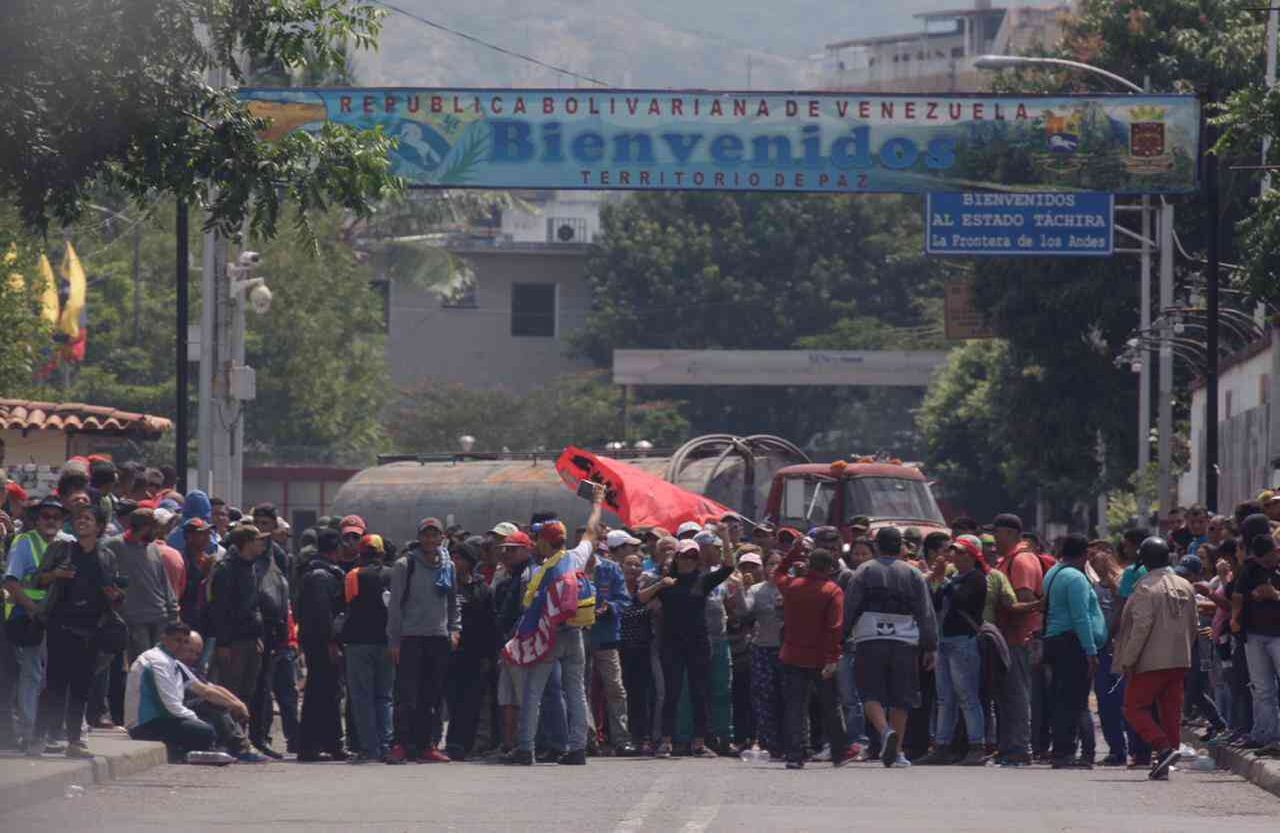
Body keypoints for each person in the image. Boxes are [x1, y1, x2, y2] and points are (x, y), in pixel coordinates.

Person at [843, 526, 938, 768]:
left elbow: (850, 608)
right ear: (900, 547)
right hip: (905, 639)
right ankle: (897, 753)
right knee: (902, 698)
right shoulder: (913, 574)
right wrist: (930, 646)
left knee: (869, 692)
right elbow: (926, 612)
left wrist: (841, 636)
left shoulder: (863, 571)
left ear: (877, 546)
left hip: (869, 637)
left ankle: (885, 732)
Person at [505, 517, 597, 766]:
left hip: (549, 637)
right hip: (575, 633)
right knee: (576, 691)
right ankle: (577, 749)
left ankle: (526, 748)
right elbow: (590, 532)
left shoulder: (542, 571)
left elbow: (528, 606)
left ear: (545, 542)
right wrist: (597, 503)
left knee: (533, 691)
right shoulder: (576, 557)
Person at [36, 504, 124, 759]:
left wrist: (115, 596)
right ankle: (42, 736)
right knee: (55, 685)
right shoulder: (61, 549)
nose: (81, 522)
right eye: (78, 518)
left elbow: (114, 594)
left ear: (98, 526)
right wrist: (56, 574)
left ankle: (75, 740)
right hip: (60, 627)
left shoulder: (107, 556)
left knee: (81, 688)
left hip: (92, 629)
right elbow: (36, 580)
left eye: (87, 518)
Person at [1115, 537, 1199, 780]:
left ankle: (1162, 748)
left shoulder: (1145, 588)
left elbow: (1141, 628)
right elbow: (1193, 625)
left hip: (1151, 660)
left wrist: (1128, 660)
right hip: (1180, 658)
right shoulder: (1185, 585)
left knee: (1133, 707)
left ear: (1144, 562)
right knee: (1170, 711)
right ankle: (1168, 756)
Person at [643, 536, 733, 759]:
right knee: (671, 693)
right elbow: (641, 598)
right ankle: (665, 742)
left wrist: (726, 536)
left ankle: (699, 743)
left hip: (699, 644)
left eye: (693, 556)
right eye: (685, 556)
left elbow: (729, 567)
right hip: (671, 644)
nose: (689, 560)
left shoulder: (702, 580)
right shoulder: (667, 581)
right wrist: (660, 584)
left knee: (699, 693)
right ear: (677, 558)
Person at [386, 517, 459, 764]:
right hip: (410, 637)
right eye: (425, 535)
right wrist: (394, 641)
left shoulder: (448, 566)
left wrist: (454, 628)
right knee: (406, 696)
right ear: (419, 538)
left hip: (438, 637)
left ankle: (427, 745)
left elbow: (453, 601)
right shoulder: (405, 565)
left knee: (432, 696)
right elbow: (395, 606)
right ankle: (400, 744)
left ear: (441, 538)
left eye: (434, 535)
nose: (430, 540)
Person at [3, 495, 71, 754]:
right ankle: (31, 732)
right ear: (36, 518)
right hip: (29, 617)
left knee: (52, 677)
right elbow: (11, 582)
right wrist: (35, 611)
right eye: (46, 516)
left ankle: (49, 731)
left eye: (56, 517)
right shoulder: (24, 542)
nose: (51, 521)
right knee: (31, 675)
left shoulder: (68, 544)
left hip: (60, 620)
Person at [774, 547, 847, 769]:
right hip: (820, 657)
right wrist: (833, 657)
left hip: (792, 655)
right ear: (829, 568)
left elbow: (777, 574)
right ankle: (838, 752)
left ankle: (795, 755)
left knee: (795, 707)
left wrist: (791, 554)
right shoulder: (832, 590)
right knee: (831, 706)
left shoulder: (792, 586)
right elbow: (835, 627)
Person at [917, 535, 988, 766]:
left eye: (960, 552)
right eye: (953, 552)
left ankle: (977, 746)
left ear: (972, 557)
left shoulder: (977, 578)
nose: (954, 556)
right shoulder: (953, 577)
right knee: (944, 698)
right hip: (944, 641)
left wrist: (944, 581)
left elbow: (961, 601)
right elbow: (936, 603)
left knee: (967, 696)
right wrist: (938, 579)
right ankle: (941, 745)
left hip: (963, 642)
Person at [1040, 533, 1106, 769]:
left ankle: (1061, 751)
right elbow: (1080, 617)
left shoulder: (1053, 573)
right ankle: (1080, 753)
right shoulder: (1076, 578)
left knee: (1061, 699)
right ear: (1085, 554)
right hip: (1072, 643)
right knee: (1077, 701)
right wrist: (1090, 651)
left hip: (1055, 641)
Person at [991, 513, 1043, 767]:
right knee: (1008, 695)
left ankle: (1020, 748)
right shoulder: (1008, 560)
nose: (994, 538)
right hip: (1007, 638)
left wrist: (1004, 606)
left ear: (1011, 533)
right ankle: (1010, 746)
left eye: (997, 533)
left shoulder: (1021, 561)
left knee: (1017, 695)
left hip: (1018, 637)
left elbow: (1024, 600)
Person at [124, 621, 217, 762]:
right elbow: (172, 706)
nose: (181, 645)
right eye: (177, 640)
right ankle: (184, 753)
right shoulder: (157, 661)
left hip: (163, 718)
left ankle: (215, 747)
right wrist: (199, 722)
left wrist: (235, 704)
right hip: (144, 726)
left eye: (185, 642)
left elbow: (203, 688)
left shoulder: (171, 660)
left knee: (211, 707)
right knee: (205, 731)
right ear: (164, 638)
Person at [296, 528, 348, 761]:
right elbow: (323, 614)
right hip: (321, 643)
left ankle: (327, 742)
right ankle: (312, 745)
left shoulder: (315, 572)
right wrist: (331, 642)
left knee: (327, 692)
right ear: (336, 550)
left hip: (315, 640)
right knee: (322, 692)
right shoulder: (322, 576)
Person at [173, 630, 264, 763]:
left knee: (224, 701)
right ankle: (241, 748)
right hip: (177, 710)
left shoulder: (190, 668)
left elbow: (213, 687)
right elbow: (206, 692)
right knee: (214, 702)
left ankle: (236, 745)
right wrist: (233, 704)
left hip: (189, 709)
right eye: (189, 651)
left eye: (197, 653)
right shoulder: (175, 665)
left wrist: (237, 702)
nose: (192, 657)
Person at [342, 533, 394, 763]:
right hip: (387, 642)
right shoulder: (393, 575)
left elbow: (348, 603)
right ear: (381, 554)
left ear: (360, 555)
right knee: (384, 697)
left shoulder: (354, 575)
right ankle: (385, 746)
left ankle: (369, 748)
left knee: (362, 698)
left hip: (359, 643)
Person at [207, 523, 269, 714]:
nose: (262, 545)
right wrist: (223, 643)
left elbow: (254, 603)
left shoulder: (252, 567)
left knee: (247, 692)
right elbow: (220, 609)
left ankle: (241, 735)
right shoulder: (226, 569)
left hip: (251, 638)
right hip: (234, 641)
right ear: (247, 542)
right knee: (230, 692)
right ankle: (227, 737)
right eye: (258, 540)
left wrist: (257, 636)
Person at [445, 538, 496, 760]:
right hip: (449, 654)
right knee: (451, 700)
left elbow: (489, 624)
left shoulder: (481, 589)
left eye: (459, 558)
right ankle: (451, 743)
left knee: (472, 702)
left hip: (474, 655)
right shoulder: (444, 585)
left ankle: (465, 745)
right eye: (452, 557)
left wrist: (489, 654)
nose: (455, 562)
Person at [586, 529, 636, 755]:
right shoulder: (571, 568)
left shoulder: (610, 568)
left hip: (606, 636)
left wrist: (609, 608)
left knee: (615, 688)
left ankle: (621, 738)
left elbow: (624, 600)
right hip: (579, 635)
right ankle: (587, 738)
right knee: (580, 688)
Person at [106, 508, 179, 662]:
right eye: (154, 528)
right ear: (145, 527)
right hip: (134, 618)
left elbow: (163, 581)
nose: (157, 532)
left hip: (160, 617)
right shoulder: (114, 545)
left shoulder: (152, 547)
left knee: (161, 663)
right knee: (143, 664)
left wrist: (173, 610)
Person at [1232, 533, 1280, 754]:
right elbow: (1238, 596)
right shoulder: (1249, 569)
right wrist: (1235, 617)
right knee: (1262, 689)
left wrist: (1274, 595)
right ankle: (1264, 735)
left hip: (1277, 635)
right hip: (1254, 635)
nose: (1267, 562)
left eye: (1269, 556)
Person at [618, 551, 655, 755]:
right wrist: (645, 610)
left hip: (642, 648)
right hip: (620, 648)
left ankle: (643, 737)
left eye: (637, 565)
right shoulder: (618, 590)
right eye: (629, 564)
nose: (633, 569)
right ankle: (624, 737)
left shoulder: (646, 590)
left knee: (642, 695)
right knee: (622, 694)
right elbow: (624, 613)